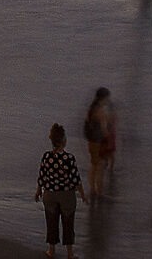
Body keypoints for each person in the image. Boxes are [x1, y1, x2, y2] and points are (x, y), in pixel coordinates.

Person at [34, 122, 87, 258]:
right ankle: (70, 254)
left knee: (51, 222)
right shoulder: (68, 158)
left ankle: (51, 250)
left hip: (49, 194)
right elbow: (76, 179)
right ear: (63, 141)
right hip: (66, 195)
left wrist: (38, 191)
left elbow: (42, 176)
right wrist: (83, 195)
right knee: (68, 223)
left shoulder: (46, 156)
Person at [82, 88, 118, 202]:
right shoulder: (101, 111)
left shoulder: (91, 109)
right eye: (107, 98)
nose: (108, 100)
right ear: (103, 98)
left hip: (91, 141)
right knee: (100, 168)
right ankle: (100, 193)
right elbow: (104, 130)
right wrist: (110, 139)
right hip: (99, 142)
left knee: (93, 165)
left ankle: (92, 190)